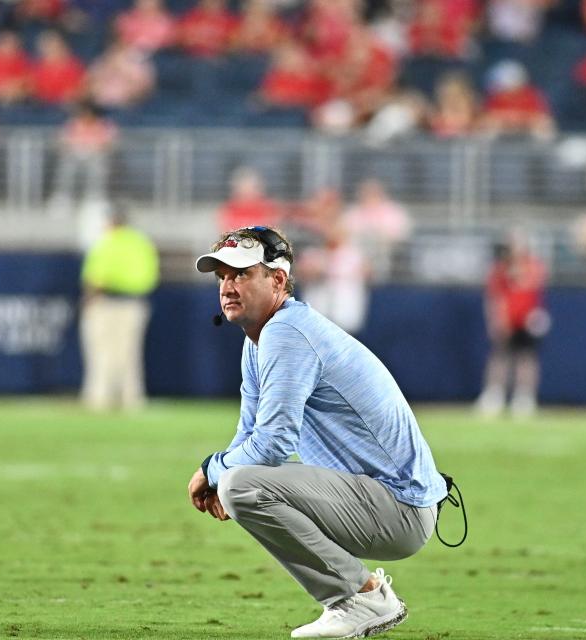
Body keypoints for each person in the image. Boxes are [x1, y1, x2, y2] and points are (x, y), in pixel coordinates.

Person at [186, 226, 448, 639]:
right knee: (237, 483)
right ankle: (357, 597)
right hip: (382, 499)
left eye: (241, 274)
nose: (228, 286)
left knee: (241, 485)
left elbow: (273, 444)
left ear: (277, 280)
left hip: (399, 506)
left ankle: (362, 598)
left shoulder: (286, 332)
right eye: (222, 276)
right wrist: (221, 473)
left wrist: (211, 470)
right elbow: (250, 432)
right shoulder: (260, 339)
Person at [79, 207, 159, 411]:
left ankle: (99, 398)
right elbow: (151, 275)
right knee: (130, 353)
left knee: (102, 352)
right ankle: (132, 399)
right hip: (135, 302)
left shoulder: (108, 241)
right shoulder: (141, 243)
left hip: (106, 301)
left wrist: (88, 300)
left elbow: (96, 276)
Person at [475, 234, 548, 418]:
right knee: (500, 357)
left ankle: (524, 397)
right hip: (506, 319)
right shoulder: (500, 269)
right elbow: (494, 296)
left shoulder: (533, 266)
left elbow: (535, 289)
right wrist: (496, 320)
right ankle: (494, 394)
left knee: (526, 358)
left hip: (526, 319)